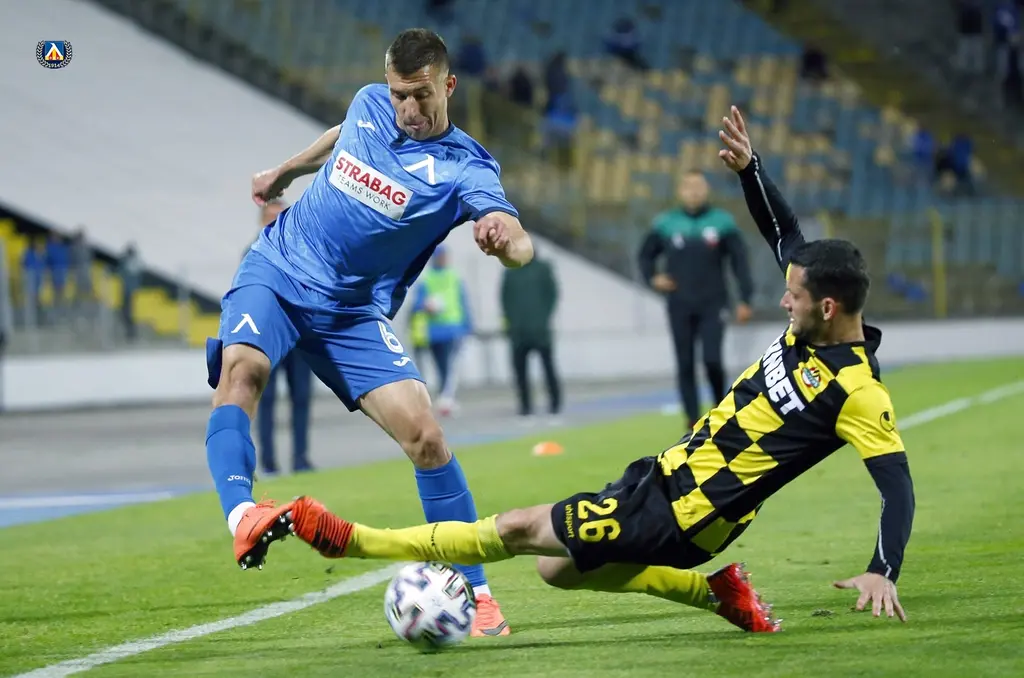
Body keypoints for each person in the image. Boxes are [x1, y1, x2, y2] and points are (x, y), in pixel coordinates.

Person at [281, 106, 915, 632]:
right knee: (557, 569)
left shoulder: (856, 390)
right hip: (669, 474)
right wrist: (751, 169)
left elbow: (897, 488)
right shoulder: (815, 303)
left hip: (688, 511)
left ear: (828, 308)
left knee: (519, 529)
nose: (783, 300)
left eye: (794, 297)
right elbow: (785, 234)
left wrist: (882, 570)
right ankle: (718, 593)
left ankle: (350, 538)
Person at [203, 28, 533, 638]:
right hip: (279, 268)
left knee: (427, 438)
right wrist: (285, 171)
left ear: (448, 85)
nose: (407, 108)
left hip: (352, 313)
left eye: (420, 95)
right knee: (242, 371)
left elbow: (517, 239)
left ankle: (477, 590)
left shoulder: (464, 166)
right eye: (398, 94)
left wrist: (502, 241)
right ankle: (243, 516)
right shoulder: (369, 102)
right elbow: (341, 137)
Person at [639, 169, 755, 429]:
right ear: (680, 191)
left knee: (712, 359)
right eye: (688, 187)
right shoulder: (666, 223)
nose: (694, 192)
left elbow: (740, 262)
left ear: (707, 190)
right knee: (685, 362)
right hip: (679, 303)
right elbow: (645, 255)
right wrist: (653, 278)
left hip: (714, 303)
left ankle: (721, 410)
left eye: (698, 187)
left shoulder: (722, 222)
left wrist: (745, 299)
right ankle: (692, 419)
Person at [251, 200, 314, 475]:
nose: (276, 223)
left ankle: (301, 459)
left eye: (281, 217)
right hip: (268, 340)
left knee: (301, 398)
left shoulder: (303, 252)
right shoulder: (253, 253)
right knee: (266, 401)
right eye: (271, 217)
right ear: (262, 221)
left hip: (298, 339)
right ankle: (269, 462)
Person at [500, 244, 562, 420]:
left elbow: (552, 294)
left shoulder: (543, 269)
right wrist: (510, 324)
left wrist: (543, 318)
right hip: (519, 332)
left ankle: (555, 404)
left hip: (540, 330)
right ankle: (525, 407)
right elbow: (504, 299)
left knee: (548, 368)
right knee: (520, 372)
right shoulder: (511, 272)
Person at [410, 245, 472, 417]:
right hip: (433, 331)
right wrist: (426, 305)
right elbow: (416, 305)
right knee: (440, 366)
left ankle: (446, 398)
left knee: (449, 366)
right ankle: (444, 398)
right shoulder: (426, 280)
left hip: (452, 329)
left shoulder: (454, 277)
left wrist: (467, 326)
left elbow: (463, 302)